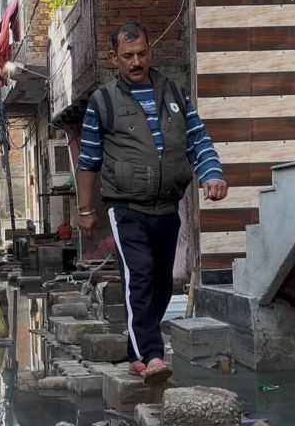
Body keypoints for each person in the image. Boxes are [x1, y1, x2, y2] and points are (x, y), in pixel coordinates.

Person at [75, 22, 228, 383]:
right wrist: (85, 210)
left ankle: (137, 350)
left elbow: (197, 139)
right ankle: (153, 353)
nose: (136, 61)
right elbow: (89, 160)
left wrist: (212, 175)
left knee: (161, 282)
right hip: (126, 207)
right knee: (139, 276)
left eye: (142, 53)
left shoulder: (173, 92)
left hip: (166, 205)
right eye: (127, 56)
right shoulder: (103, 101)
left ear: (150, 52)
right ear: (114, 58)